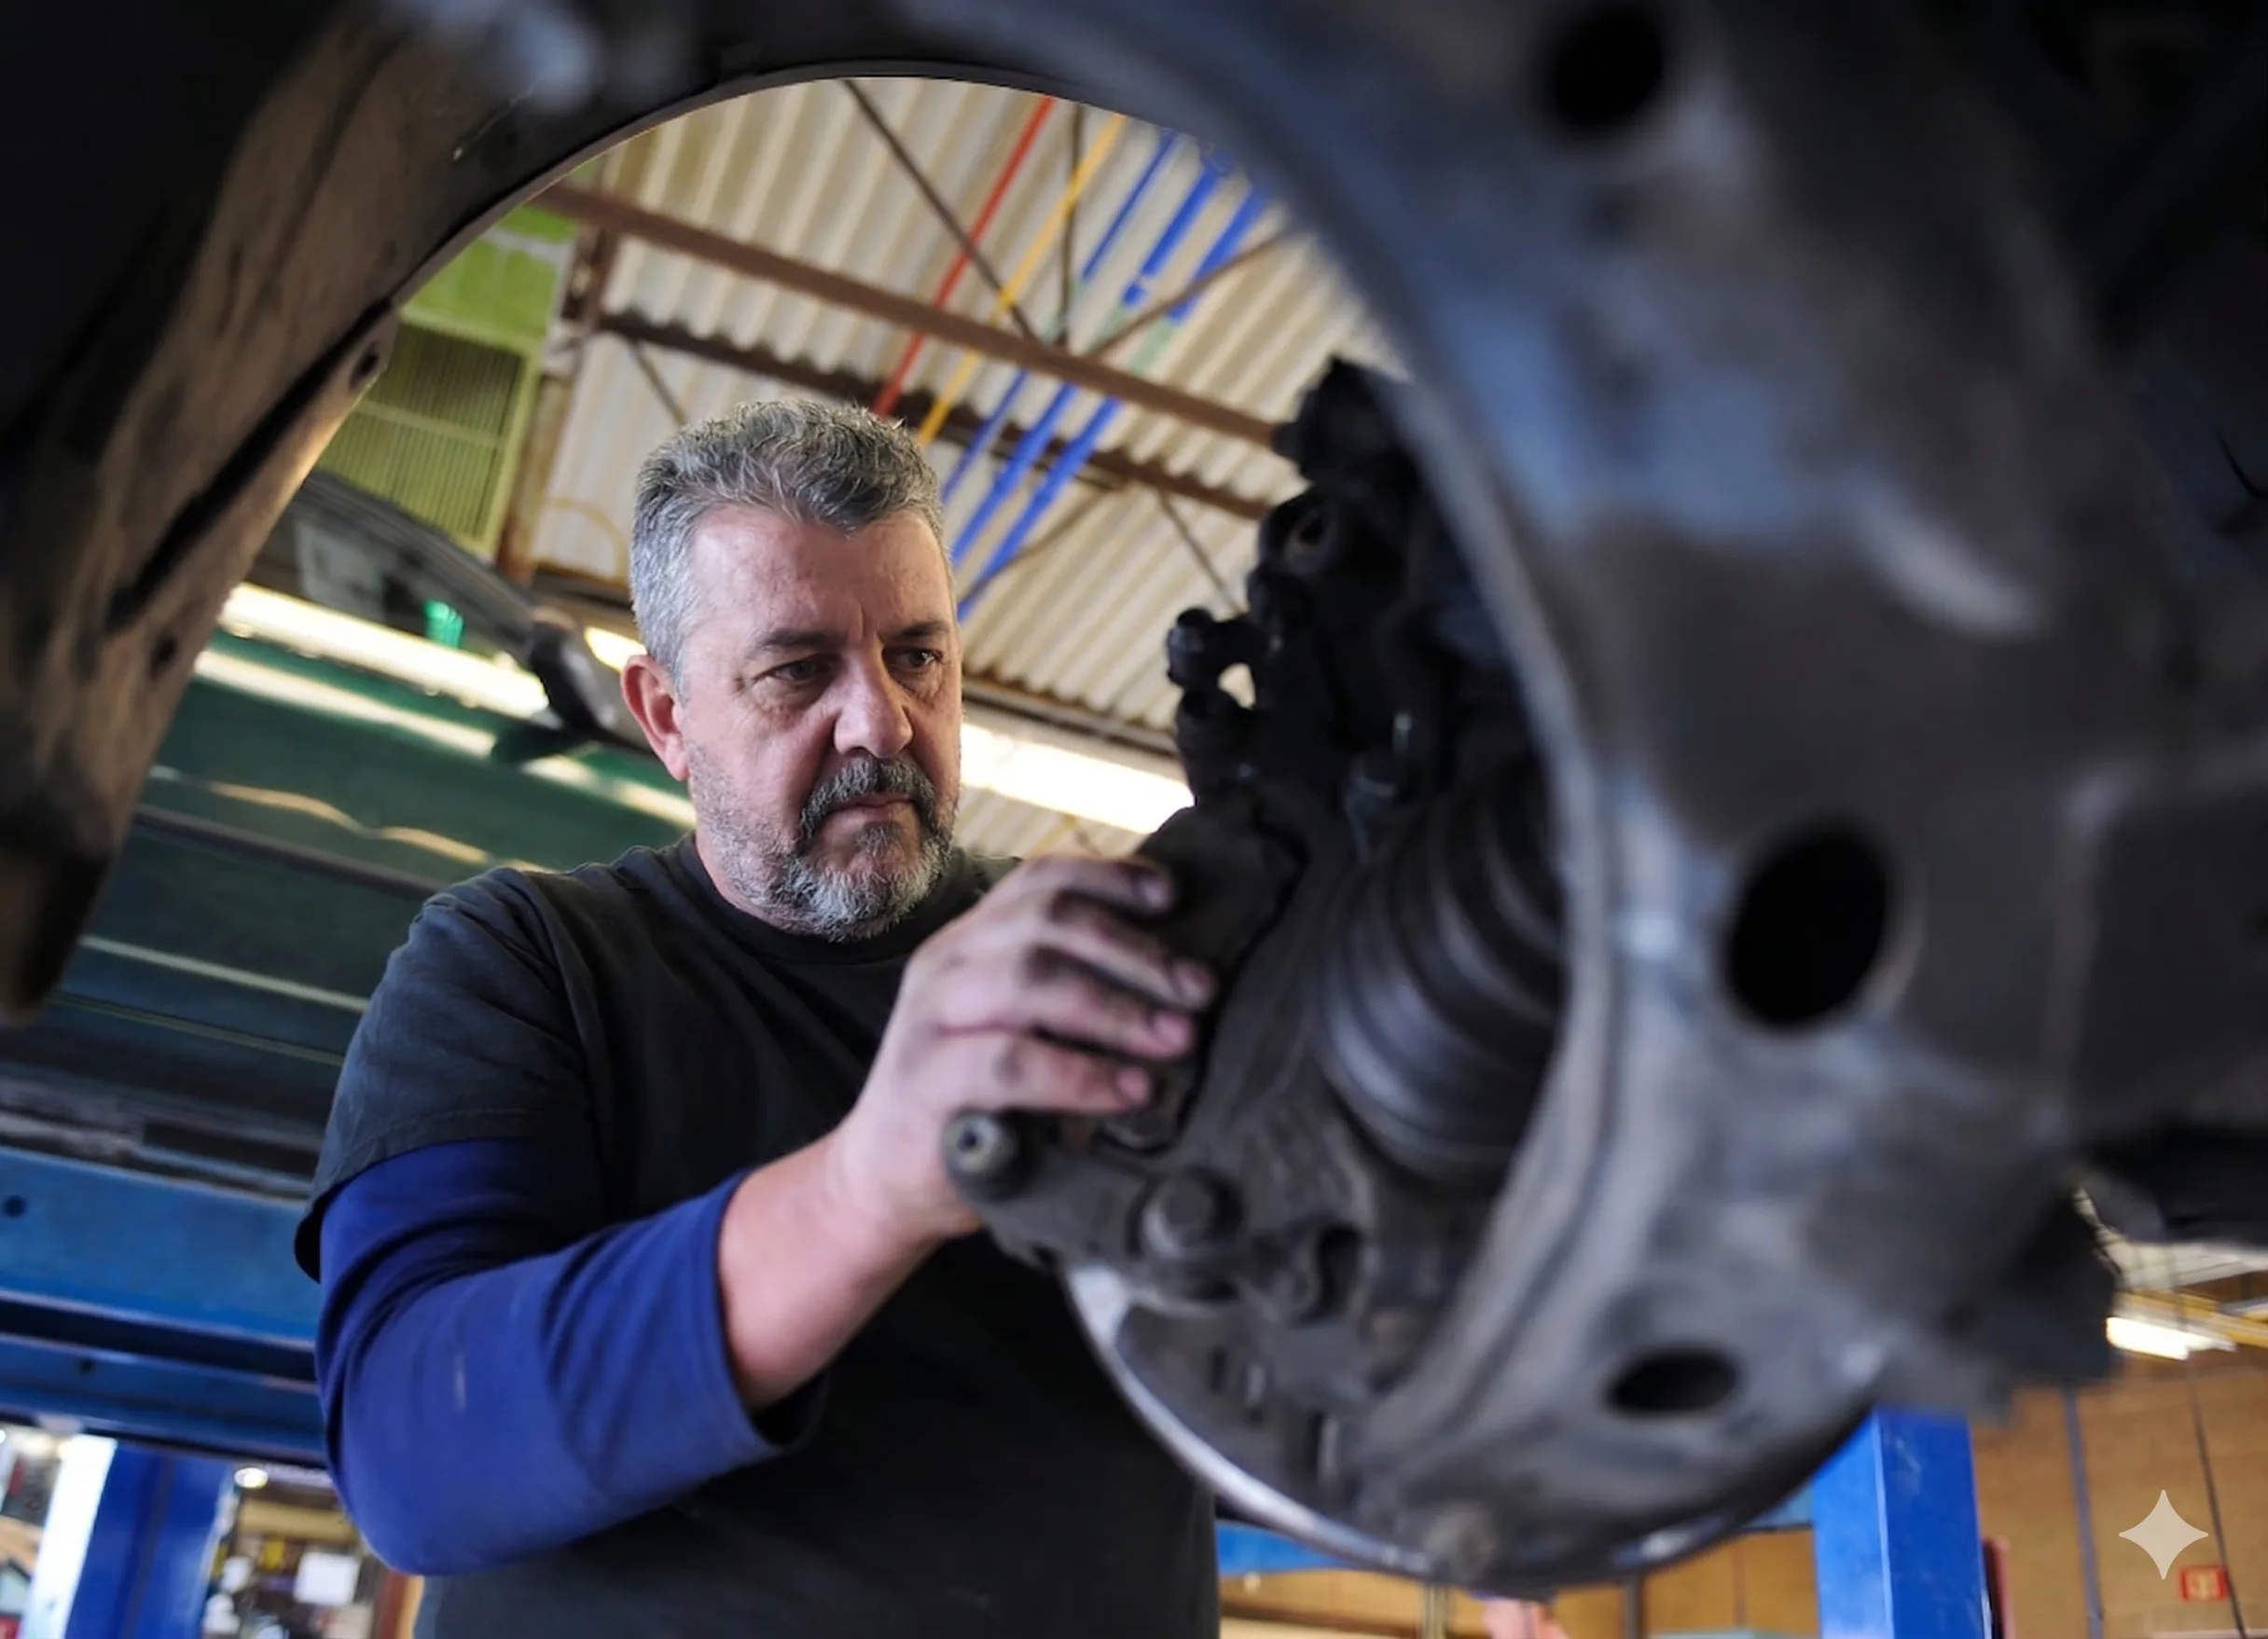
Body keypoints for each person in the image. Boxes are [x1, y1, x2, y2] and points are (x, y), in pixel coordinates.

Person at [297, 400, 1220, 1637]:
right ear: (666, 714)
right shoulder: (529, 964)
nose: (880, 722)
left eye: (917, 656)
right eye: (799, 670)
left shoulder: (1102, 959)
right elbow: (413, 1449)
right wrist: (867, 1183)